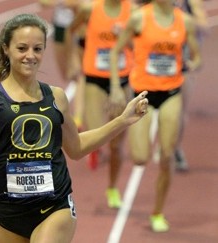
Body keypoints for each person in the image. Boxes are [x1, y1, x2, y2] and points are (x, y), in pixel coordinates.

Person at [0, 13, 148, 242]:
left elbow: (76, 148)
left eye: (37, 49)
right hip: (6, 212)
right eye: (22, 48)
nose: (30, 56)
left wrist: (122, 120)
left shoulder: (56, 97)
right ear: (6, 49)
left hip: (54, 206)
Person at [110, 0, 201, 232]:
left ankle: (158, 212)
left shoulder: (185, 21)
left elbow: (197, 55)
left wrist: (192, 63)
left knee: (167, 156)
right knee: (140, 158)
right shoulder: (140, 17)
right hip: (144, 93)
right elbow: (117, 50)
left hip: (172, 92)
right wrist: (116, 86)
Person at [68, 0, 136, 209]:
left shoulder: (132, 12)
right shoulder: (90, 9)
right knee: (96, 133)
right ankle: (96, 149)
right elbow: (72, 30)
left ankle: (113, 187)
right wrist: (75, 59)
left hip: (122, 80)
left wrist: (124, 38)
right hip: (94, 79)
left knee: (116, 144)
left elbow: (140, 46)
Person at [39, 0, 87, 131]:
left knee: (79, 73)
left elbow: (81, 4)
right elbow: (43, 3)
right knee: (66, 73)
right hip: (60, 28)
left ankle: (79, 118)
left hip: (78, 27)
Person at [173, 0, 209, 171]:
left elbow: (204, 27)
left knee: (179, 111)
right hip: (155, 67)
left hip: (183, 64)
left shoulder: (191, 2)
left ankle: (175, 148)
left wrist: (183, 19)